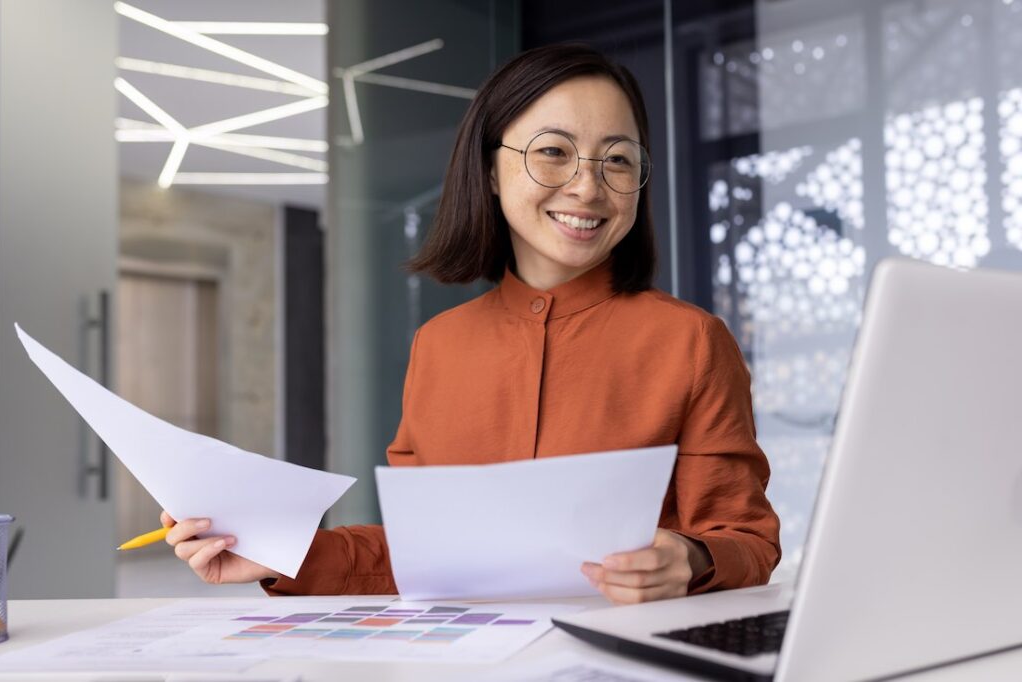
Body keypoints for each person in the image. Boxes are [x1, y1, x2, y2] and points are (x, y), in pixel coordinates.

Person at [163, 43, 781, 605]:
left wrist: (693, 558)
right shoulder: (438, 346)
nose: (588, 186)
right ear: (489, 169)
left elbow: (746, 539)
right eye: (553, 152)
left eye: (617, 160)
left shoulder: (692, 341)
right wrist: (280, 553)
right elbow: (421, 553)